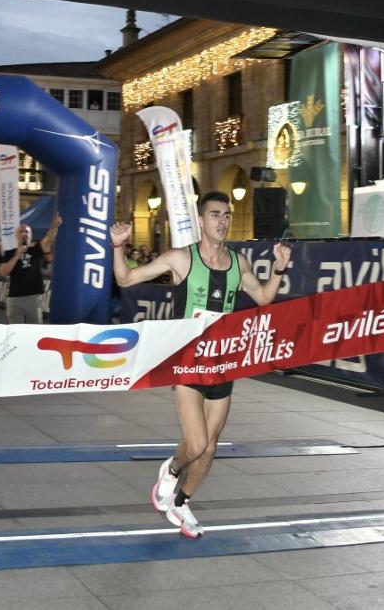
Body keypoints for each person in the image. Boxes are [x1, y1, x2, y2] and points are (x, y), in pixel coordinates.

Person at [111, 191, 291, 539]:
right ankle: (172, 469)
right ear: (201, 221)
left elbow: (265, 298)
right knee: (195, 445)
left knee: (210, 448)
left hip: (223, 365)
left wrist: (280, 266)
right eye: (214, 214)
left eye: (226, 215)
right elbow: (127, 280)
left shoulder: (239, 264)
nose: (222, 221)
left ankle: (182, 502)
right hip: (188, 365)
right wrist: (118, 247)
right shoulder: (181, 259)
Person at [0, 215, 60, 323]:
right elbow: (2, 272)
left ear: (31, 236)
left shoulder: (36, 250)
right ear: (16, 235)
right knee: (14, 331)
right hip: (14, 298)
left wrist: (55, 226)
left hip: (34, 297)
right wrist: (17, 256)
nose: (24, 234)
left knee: (34, 330)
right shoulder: (9, 253)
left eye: (27, 232)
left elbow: (49, 239)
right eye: (21, 231)